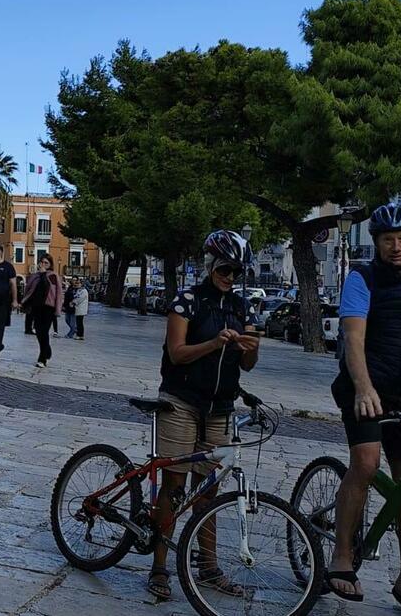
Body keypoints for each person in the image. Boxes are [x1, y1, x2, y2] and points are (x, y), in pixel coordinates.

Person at [326, 203, 401, 614]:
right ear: (376, 242)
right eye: (387, 240)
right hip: (364, 386)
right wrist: (362, 388)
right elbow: (353, 339)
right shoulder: (362, 279)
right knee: (365, 461)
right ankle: (342, 556)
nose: (396, 247)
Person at [148, 229, 259, 600]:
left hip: (221, 406)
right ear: (211, 265)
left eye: (236, 272)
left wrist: (250, 347)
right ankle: (160, 566)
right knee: (175, 483)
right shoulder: (187, 301)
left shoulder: (242, 308)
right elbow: (176, 353)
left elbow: (249, 365)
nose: (230, 277)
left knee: (208, 491)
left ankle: (208, 567)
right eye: (225, 269)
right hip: (181, 399)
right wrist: (213, 343)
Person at [20, 254, 62, 368]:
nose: (43, 265)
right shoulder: (34, 276)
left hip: (48, 308)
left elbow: (57, 292)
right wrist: (23, 302)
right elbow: (28, 290)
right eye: (42, 262)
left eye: (46, 263)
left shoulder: (53, 276)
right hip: (36, 307)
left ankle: (42, 358)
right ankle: (47, 349)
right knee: (38, 332)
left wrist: (58, 309)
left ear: (50, 264)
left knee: (44, 331)